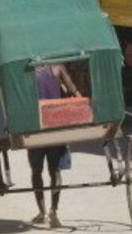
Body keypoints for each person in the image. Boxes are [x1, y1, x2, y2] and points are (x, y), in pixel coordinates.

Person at [29, 63, 80, 228]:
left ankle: (42, 212)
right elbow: (73, 90)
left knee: (37, 171)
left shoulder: (26, 72)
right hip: (56, 126)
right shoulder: (58, 68)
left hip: (35, 127)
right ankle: (54, 212)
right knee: (55, 172)